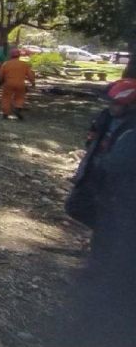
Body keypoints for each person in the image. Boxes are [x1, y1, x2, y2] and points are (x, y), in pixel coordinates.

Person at [62, 79, 136, 345]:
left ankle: (106, 275)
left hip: (121, 193)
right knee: (87, 214)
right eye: (110, 102)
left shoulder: (131, 131)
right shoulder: (107, 118)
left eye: (117, 104)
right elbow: (93, 142)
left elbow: (118, 163)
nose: (111, 107)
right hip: (98, 182)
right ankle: (97, 263)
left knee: (113, 232)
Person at [0, 48, 35, 120]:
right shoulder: (24, 64)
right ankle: (18, 107)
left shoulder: (6, 64)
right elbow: (30, 75)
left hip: (8, 83)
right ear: (19, 55)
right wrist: (33, 82)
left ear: (10, 55)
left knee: (6, 97)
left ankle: (5, 113)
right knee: (20, 97)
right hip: (20, 84)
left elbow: (0, 75)